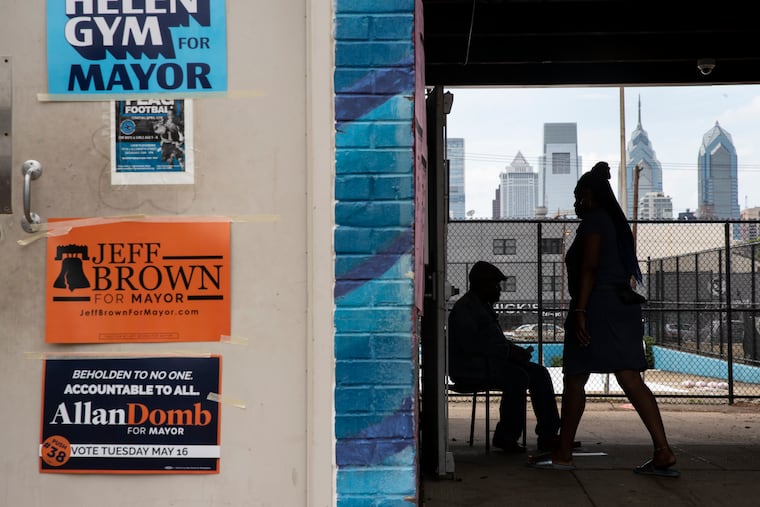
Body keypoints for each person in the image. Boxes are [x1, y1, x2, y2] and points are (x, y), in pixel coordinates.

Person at [532, 161, 679, 477]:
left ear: (591, 195)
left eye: (579, 196)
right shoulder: (615, 223)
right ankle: (663, 450)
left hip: (596, 306)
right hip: (621, 307)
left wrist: (581, 311)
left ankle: (563, 452)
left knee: (575, 377)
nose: (575, 204)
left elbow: (589, 268)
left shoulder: (595, 221)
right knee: (630, 379)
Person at [448, 260, 562, 453]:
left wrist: (513, 351)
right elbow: (471, 344)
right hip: (470, 368)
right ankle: (505, 437)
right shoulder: (466, 308)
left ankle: (549, 436)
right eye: (495, 285)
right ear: (482, 285)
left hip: (489, 364)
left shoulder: (482, 306)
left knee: (539, 373)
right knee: (517, 377)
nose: (499, 290)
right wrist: (509, 352)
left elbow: (492, 342)